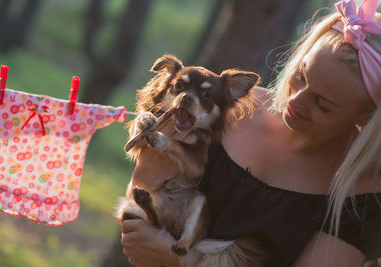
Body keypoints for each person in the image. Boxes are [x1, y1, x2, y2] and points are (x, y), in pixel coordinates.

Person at [120, 0, 381, 266]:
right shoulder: (230, 110)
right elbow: (142, 190)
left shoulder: (364, 192)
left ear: (368, 117)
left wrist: (180, 260)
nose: (296, 102)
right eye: (301, 76)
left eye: (323, 104)